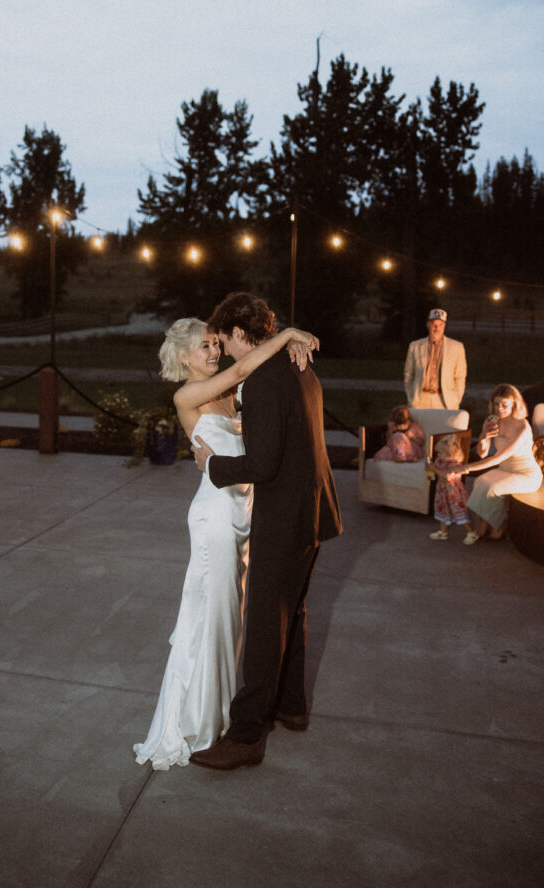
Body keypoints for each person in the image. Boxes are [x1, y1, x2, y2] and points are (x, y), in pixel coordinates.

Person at [133, 317, 319, 771]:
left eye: (215, 344)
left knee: (232, 622)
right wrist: (287, 336)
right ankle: (196, 723)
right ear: (184, 357)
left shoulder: (231, 394)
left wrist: (290, 351)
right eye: (204, 346)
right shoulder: (187, 396)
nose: (214, 352)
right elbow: (242, 368)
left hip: (245, 517)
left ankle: (219, 716)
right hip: (215, 519)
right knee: (210, 620)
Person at [190, 292, 343, 771]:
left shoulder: (262, 380)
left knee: (262, 624)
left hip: (284, 516)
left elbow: (261, 464)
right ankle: (291, 706)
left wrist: (212, 464)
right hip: (314, 511)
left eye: (224, 341)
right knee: (291, 611)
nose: (225, 353)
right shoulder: (299, 367)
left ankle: (246, 735)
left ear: (240, 333)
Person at [447, 384, 543, 543]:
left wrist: (465, 468)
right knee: (480, 482)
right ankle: (486, 525)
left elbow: (498, 458)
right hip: (505, 469)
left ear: (514, 405)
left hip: (525, 474)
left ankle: (497, 527)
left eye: (504, 405)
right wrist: (484, 436)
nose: (499, 408)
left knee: (492, 488)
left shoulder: (522, 427)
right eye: (496, 404)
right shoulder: (492, 420)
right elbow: (482, 453)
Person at [404, 308, 467, 410]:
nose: (436, 327)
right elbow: (409, 374)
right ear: (428, 325)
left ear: (444, 326)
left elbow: (460, 376)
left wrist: (456, 398)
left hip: (444, 400)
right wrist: (411, 396)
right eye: (434, 324)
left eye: (440, 324)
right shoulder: (415, 346)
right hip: (420, 399)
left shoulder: (456, 347)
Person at [427, 434, 471, 541]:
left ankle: (471, 532)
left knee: (458, 511)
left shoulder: (455, 465)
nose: (438, 455)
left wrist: (435, 470)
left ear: (451, 454)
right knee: (442, 509)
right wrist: (431, 468)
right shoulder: (441, 461)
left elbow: (447, 476)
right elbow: (435, 471)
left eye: (440, 453)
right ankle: (443, 532)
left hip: (453, 493)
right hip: (442, 491)